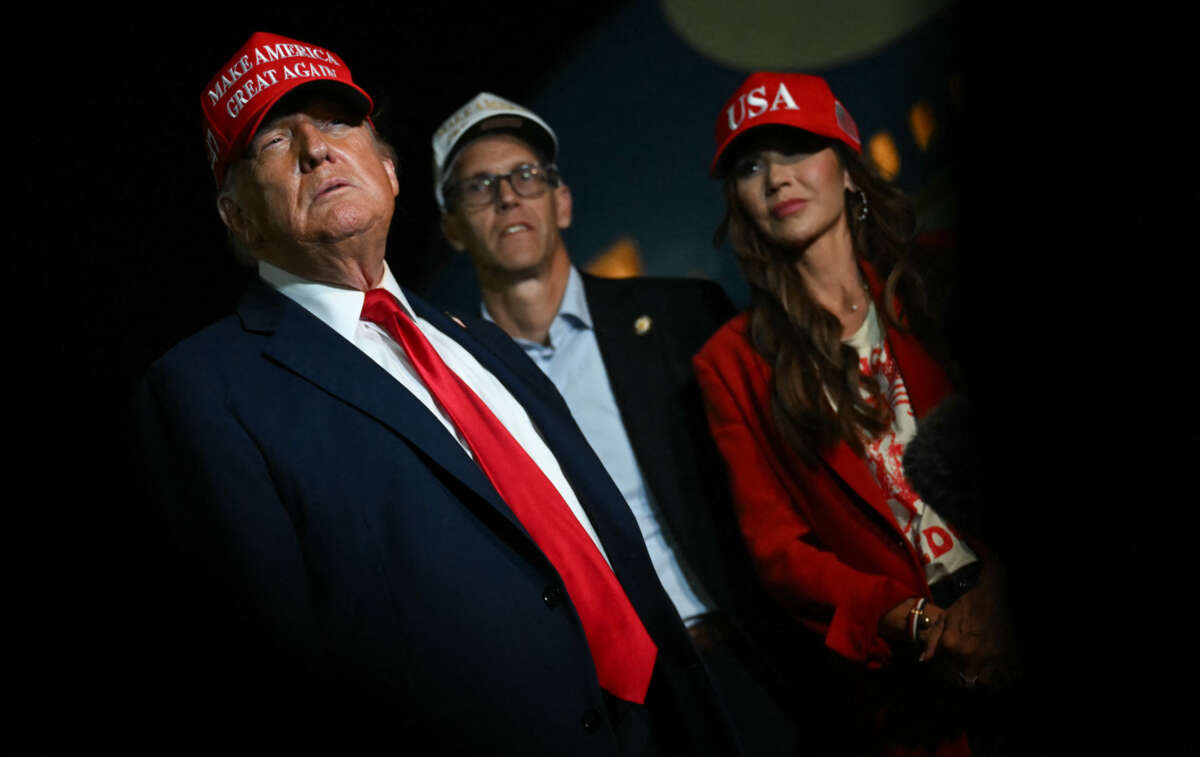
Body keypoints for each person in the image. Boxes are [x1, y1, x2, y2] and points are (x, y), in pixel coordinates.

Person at [134, 31, 739, 756]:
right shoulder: (207, 389)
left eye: (334, 121)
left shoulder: (470, 340)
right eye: (272, 140)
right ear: (237, 216)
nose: (315, 149)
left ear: (388, 171)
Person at [431, 93, 807, 756]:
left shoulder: (686, 315)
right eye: (479, 186)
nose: (509, 197)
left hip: (753, 660)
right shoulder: (454, 394)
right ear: (452, 226)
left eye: (527, 176)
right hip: (624, 711)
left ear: (562, 201)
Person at [692, 73, 1017, 755]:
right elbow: (780, 553)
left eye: (796, 148)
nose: (776, 178)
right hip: (916, 682)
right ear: (740, 202)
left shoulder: (937, 274)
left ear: (847, 166)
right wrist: (920, 622)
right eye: (751, 166)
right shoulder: (730, 362)